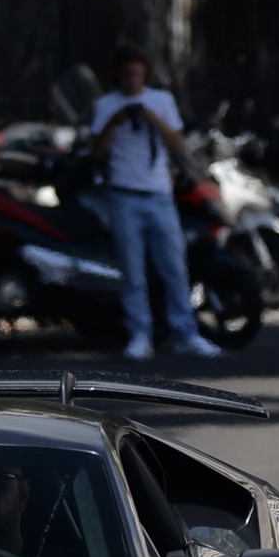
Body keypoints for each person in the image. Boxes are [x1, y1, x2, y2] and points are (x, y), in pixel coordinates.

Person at [89, 42, 221, 362]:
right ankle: (139, 334)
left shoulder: (161, 100)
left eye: (136, 74)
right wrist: (114, 122)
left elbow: (178, 144)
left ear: (145, 73)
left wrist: (152, 118)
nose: (132, 80)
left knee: (174, 267)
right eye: (125, 75)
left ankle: (186, 333)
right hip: (123, 196)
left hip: (159, 194)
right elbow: (96, 152)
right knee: (133, 271)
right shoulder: (106, 105)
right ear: (117, 77)